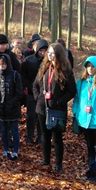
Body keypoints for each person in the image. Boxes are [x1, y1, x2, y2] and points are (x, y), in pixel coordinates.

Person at [33, 43, 76, 174]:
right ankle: (46, 161)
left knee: (57, 138)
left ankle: (58, 165)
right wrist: (38, 98)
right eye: (49, 53)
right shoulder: (44, 67)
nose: (50, 55)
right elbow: (35, 85)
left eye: (52, 53)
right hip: (42, 108)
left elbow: (71, 90)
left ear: (59, 55)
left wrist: (59, 102)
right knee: (44, 136)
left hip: (57, 110)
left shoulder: (66, 70)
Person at [0, 54, 23, 160]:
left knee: (14, 130)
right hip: (0, 108)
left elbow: (19, 93)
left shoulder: (15, 75)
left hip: (12, 108)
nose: (1, 66)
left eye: (3, 64)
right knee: (3, 130)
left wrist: (11, 103)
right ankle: (6, 149)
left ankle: (15, 151)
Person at [21, 39, 49, 144]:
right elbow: (23, 75)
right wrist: (28, 86)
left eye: (45, 51)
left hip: (44, 94)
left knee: (41, 116)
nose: (42, 53)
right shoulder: (28, 60)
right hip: (31, 93)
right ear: (37, 50)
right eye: (41, 50)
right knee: (30, 115)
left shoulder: (49, 62)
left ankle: (40, 136)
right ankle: (29, 136)